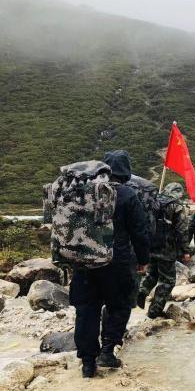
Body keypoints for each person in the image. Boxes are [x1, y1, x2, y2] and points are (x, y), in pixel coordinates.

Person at [70, 150, 150, 377]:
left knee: (86, 309)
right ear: (126, 172)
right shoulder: (127, 194)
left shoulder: (83, 191)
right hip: (117, 262)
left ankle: (87, 362)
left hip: (85, 262)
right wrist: (143, 260)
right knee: (120, 305)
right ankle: (107, 350)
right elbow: (140, 232)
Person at [137, 182, 191, 319]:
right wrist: (185, 250)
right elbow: (182, 230)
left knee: (152, 274)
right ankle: (154, 310)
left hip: (150, 246)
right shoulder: (176, 206)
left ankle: (141, 292)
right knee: (168, 281)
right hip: (166, 249)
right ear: (178, 192)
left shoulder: (153, 201)